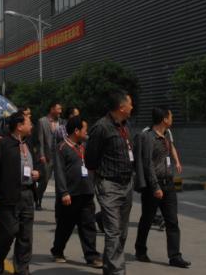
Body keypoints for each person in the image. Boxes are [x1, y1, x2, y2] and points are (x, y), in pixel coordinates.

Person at [85, 90, 135, 275]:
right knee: (113, 231)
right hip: (109, 185)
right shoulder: (101, 127)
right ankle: (117, 271)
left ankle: (109, 268)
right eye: (130, 104)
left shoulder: (126, 126)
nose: (132, 107)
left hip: (126, 184)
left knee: (121, 232)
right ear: (121, 107)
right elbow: (90, 159)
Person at [134, 107, 191, 268]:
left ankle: (175, 256)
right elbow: (148, 164)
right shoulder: (148, 137)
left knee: (172, 221)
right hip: (154, 186)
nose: (172, 119)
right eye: (170, 116)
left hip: (168, 183)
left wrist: (176, 162)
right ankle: (140, 249)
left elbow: (169, 152)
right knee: (147, 219)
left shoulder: (166, 135)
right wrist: (155, 187)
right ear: (164, 119)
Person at [0, 110, 39, 275]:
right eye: (29, 123)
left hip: (27, 194)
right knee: (9, 232)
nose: (32, 126)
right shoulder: (2, 145)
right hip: (8, 196)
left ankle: (21, 268)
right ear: (19, 126)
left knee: (25, 236)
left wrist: (37, 173)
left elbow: (36, 163)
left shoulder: (28, 143)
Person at [51, 116, 103, 268]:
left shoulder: (84, 146)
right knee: (65, 226)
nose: (86, 132)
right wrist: (63, 192)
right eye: (84, 129)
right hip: (70, 195)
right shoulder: (62, 148)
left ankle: (91, 256)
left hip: (86, 192)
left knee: (88, 225)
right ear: (76, 130)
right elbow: (59, 172)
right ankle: (57, 251)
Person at [35, 102, 63, 210]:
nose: (60, 111)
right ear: (52, 109)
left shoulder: (61, 122)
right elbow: (40, 140)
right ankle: (38, 199)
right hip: (47, 156)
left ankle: (59, 204)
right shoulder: (42, 121)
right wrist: (41, 155)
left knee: (60, 180)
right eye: (58, 109)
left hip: (59, 155)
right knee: (45, 180)